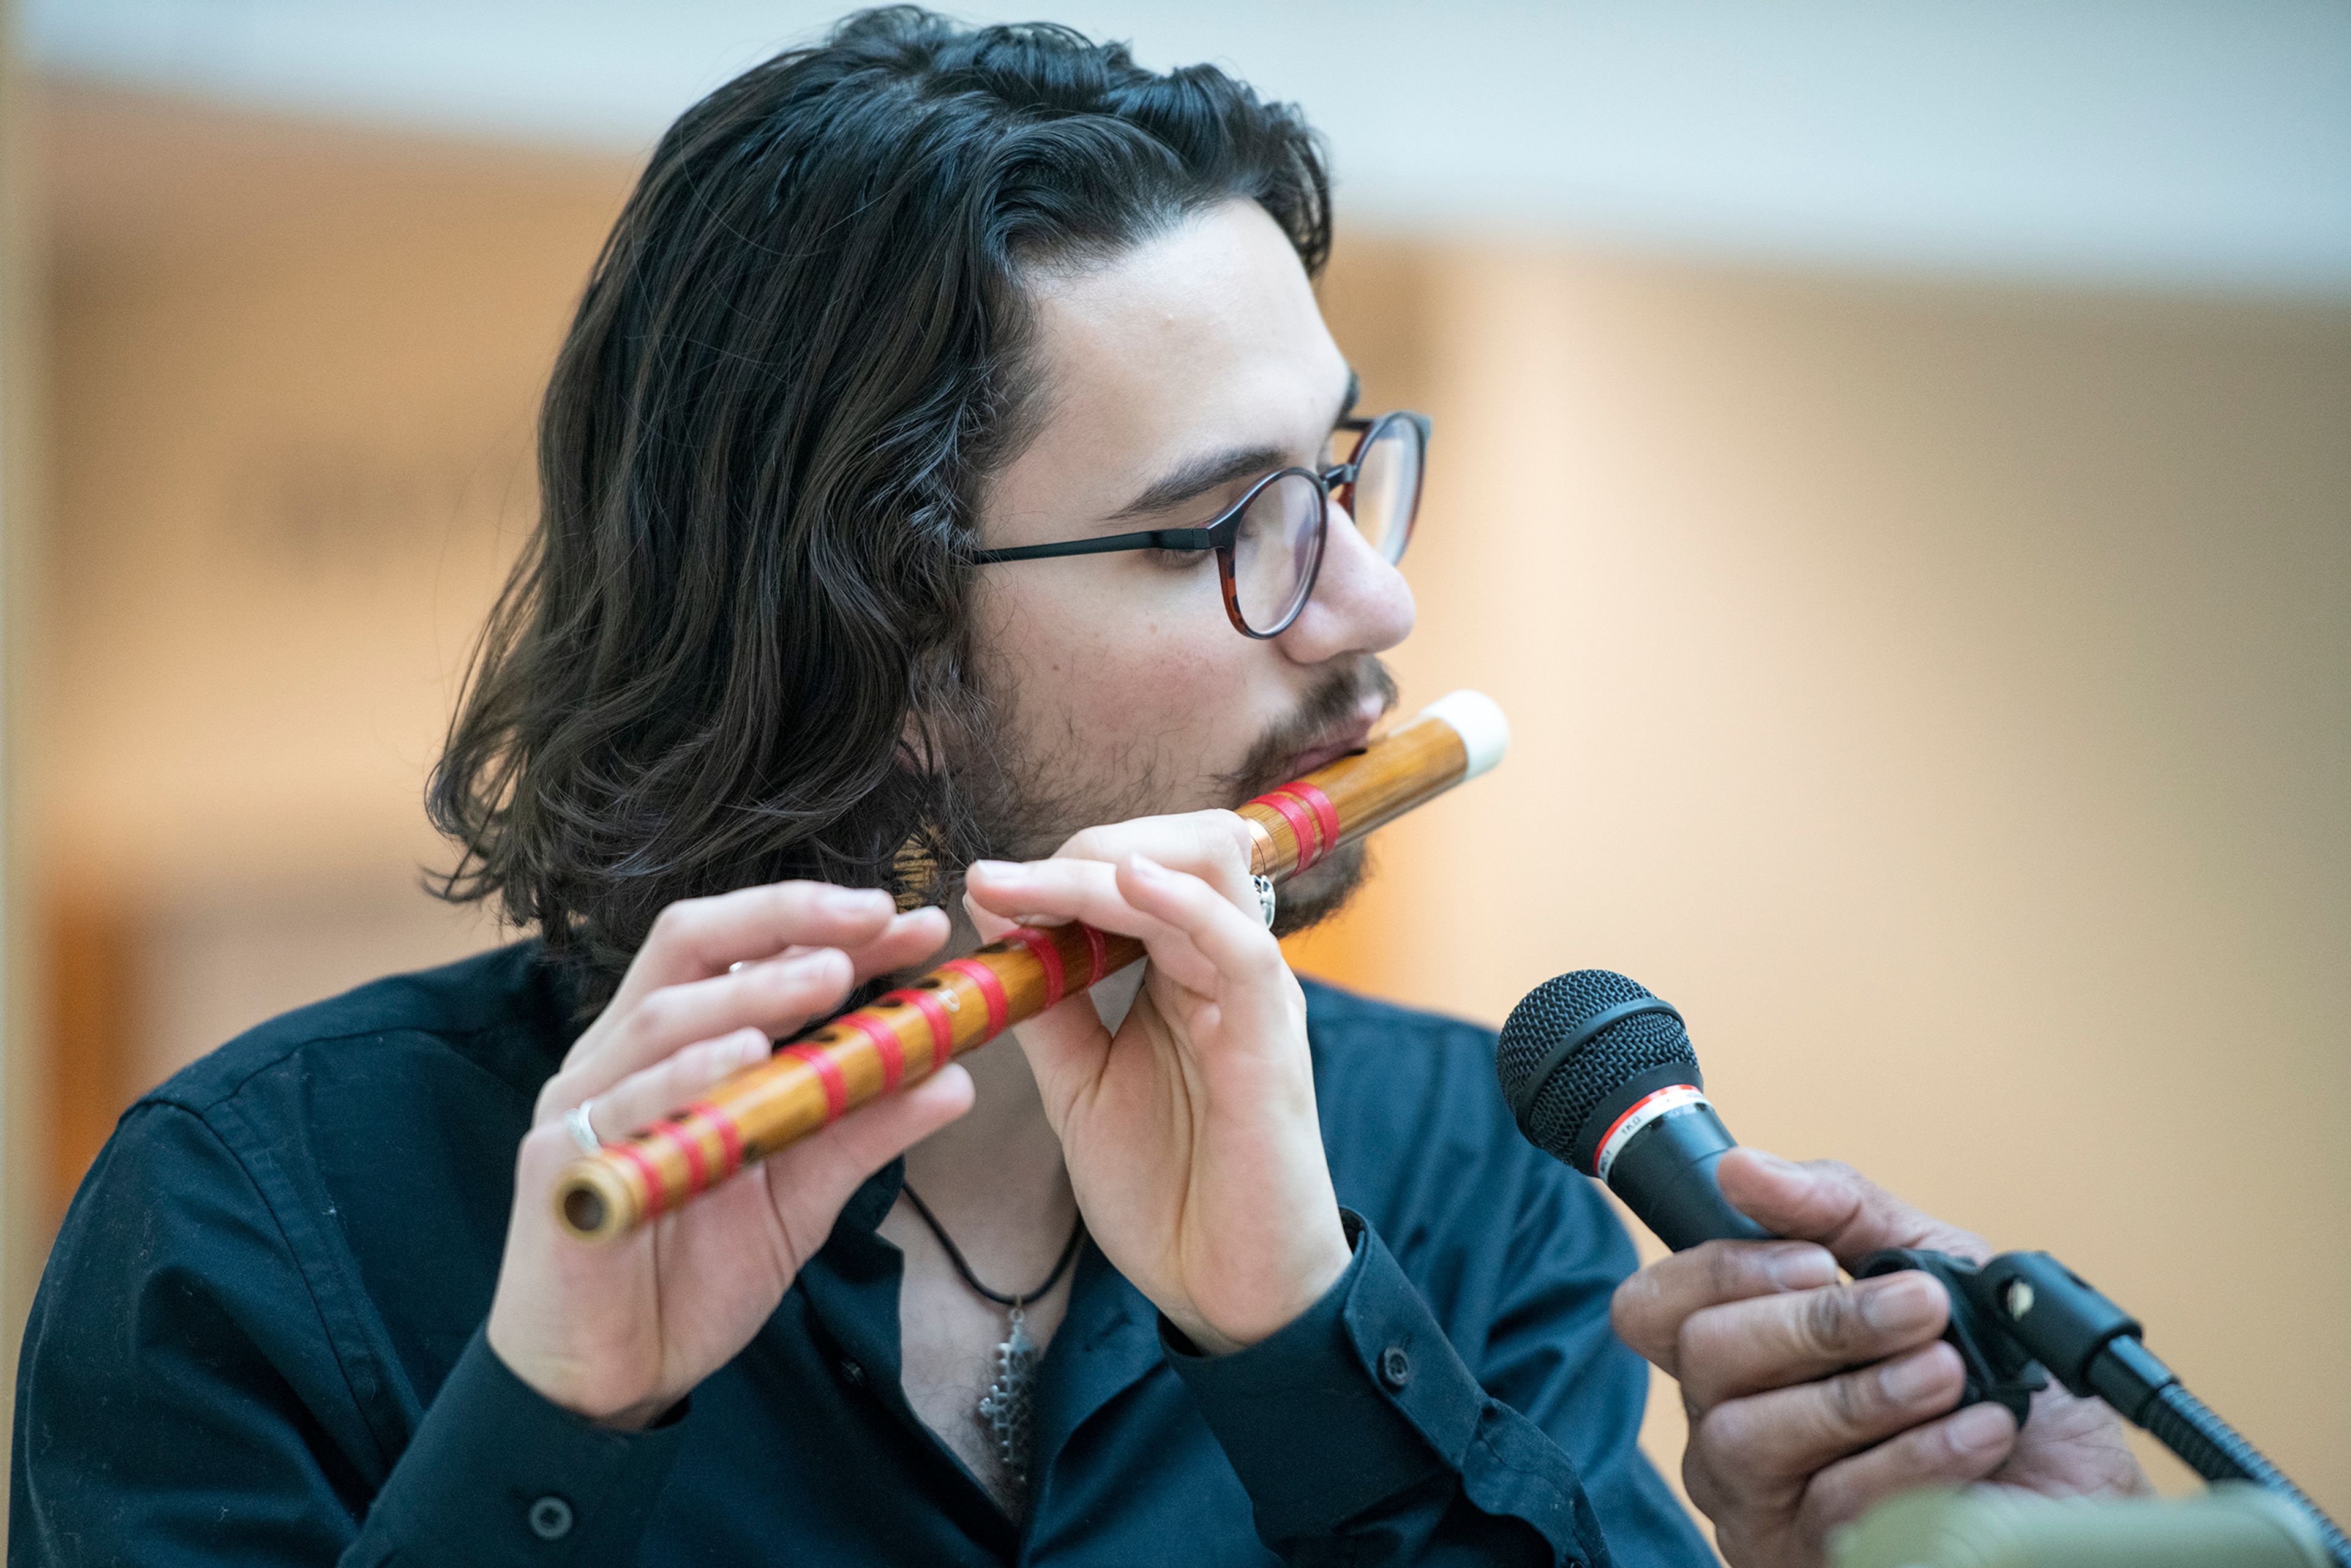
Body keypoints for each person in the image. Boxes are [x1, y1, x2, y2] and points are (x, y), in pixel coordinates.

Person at [10, 10, 2145, 1566]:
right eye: (1221, 521)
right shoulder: (257, 1223)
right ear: (882, 637)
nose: (1367, 594)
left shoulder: (1451, 1169)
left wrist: (1305, 1338)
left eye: (1335, 469)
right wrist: (556, 1431)